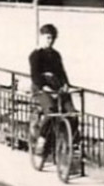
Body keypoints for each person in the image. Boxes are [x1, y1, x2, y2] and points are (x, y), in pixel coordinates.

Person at [27, 24, 73, 167]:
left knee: (72, 113)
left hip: (56, 87)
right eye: (47, 38)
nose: (50, 41)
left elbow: (61, 72)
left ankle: (65, 144)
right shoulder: (35, 55)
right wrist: (44, 87)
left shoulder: (56, 55)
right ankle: (40, 144)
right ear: (41, 37)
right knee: (51, 111)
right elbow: (35, 75)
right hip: (41, 88)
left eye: (52, 38)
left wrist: (66, 84)